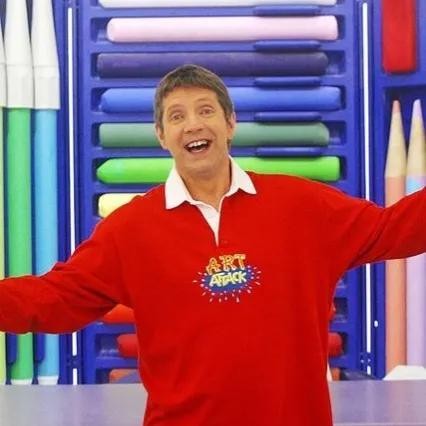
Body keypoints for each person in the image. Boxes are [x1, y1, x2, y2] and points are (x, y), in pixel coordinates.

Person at [0, 64, 425, 426]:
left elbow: (392, 228)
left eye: (206, 110)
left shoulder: (302, 206)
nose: (193, 124)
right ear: (162, 135)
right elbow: (57, 298)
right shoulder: (129, 229)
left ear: (230, 123)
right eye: (177, 116)